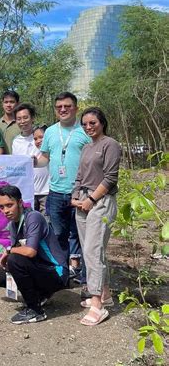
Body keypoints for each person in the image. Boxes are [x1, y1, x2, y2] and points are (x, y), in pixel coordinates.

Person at [71, 107, 122, 326]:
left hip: (100, 202)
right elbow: (80, 176)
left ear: (102, 122)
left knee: (92, 252)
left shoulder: (110, 145)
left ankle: (96, 305)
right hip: (82, 202)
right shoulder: (86, 148)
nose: (88, 127)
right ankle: (106, 294)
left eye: (93, 123)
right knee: (91, 251)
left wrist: (91, 200)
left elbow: (110, 177)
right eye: (85, 124)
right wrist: (75, 197)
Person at [0, 185, 68, 324]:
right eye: (2, 207)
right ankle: (40, 295)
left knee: (15, 260)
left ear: (20, 203)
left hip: (57, 273)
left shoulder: (33, 217)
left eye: (9, 205)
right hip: (40, 269)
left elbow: (30, 252)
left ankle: (36, 310)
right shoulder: (14, 223)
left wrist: (8, 251)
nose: (6, 211)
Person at [35, 92, 91, 283]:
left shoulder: (86, 131)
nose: (63, 109)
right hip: (56, 192)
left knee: (83, 236)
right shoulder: (50, 131)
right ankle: (62, 275)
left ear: (75, 108)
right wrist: (29, 163)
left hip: (81, 192)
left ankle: (86, 278)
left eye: (67, 106)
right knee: (58, 235)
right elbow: (45, 158)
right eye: (59, 107)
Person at [11, 104, 47, 214]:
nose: (22, 121)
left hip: (45, 190)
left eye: (25, 117)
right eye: (19, 119)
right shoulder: (16, 141)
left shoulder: (43, 136)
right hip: (26, 192)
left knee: (47, 224)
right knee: (30, 224)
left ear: (32, 118)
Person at [0, 89, 20, 154]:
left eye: (12, 102)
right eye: (6, 102)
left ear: (17, 104)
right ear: (2, 104)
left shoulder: (22, 124)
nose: (8, 105)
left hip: (17, 162)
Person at [33, 126, 50, 215]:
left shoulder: (53, 151)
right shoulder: (34, 153)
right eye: (35, 139)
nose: (38, 141)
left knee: (46, 221)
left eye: (41, 137)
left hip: (47, 193)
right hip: (33, 193)